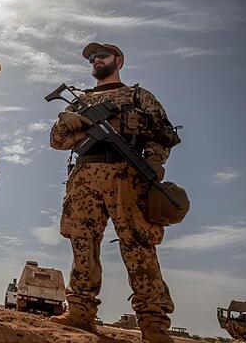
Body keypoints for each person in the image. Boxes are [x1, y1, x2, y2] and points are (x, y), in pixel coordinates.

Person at [48, 42, 178, 343]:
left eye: (102, 55)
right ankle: (80, 312)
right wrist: (73, 123)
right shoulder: (78, 100)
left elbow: (164, 133)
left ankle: (154, 324)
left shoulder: (138, 96)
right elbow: (57, 141)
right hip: (85, 177)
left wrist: (155, 162)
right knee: (82, 242)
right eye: (92, 57)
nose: (96, 60)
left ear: (118, 60)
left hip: (127, 174)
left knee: (138, 246)